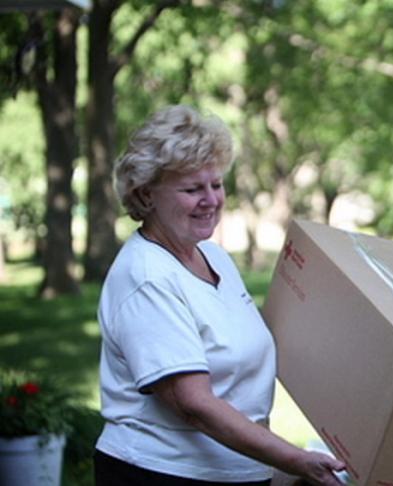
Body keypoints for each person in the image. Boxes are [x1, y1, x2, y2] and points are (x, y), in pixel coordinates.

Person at [94, 105, 344, 485]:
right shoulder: (146, 276)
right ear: (146, 195)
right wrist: (297, 461)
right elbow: (194, 404)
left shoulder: (214, 257)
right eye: (192, 189)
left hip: (232, 471)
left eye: (216, 184)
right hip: (162, 473)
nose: (211, 200)